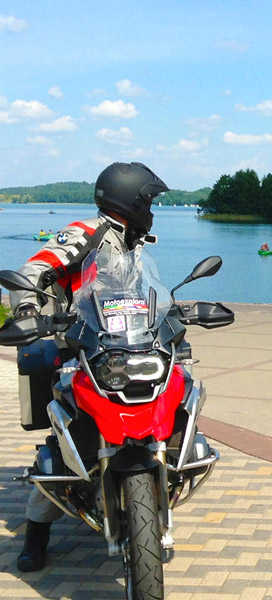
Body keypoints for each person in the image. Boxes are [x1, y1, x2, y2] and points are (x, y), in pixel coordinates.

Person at [9, 162, 169, 572]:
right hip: (81, 348)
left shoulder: (133, 241)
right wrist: (28, 308)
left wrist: (168, 313)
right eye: (149, 200)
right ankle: (36, 534)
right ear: (130, 199)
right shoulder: (84, 233)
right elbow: (35, 268)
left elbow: (142, 293)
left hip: (126, 347)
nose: (152, 208)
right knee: (66, 441)